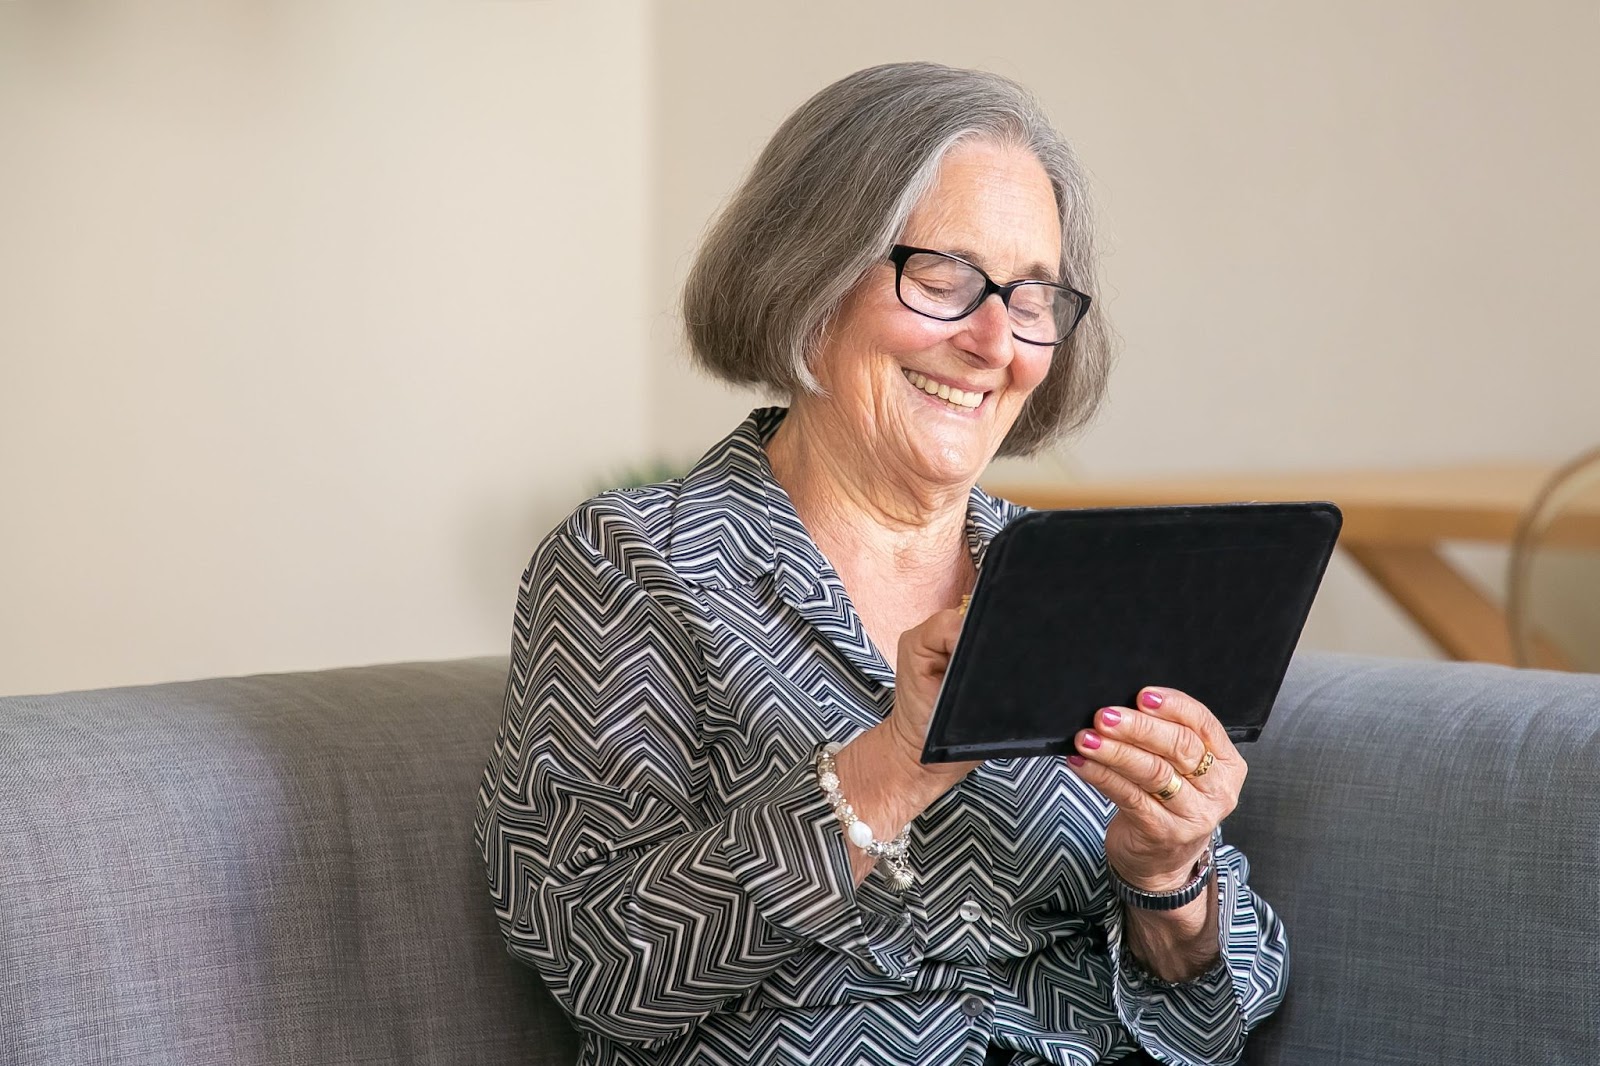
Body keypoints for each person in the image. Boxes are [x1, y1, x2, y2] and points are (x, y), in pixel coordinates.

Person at [474, 61, 1287, 1066]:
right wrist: (888, 768)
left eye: (1031, 297)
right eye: (945, 279)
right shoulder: (637, 564)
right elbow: (599, 967)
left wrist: (1168, 877)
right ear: (810, 281)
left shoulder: (1059, 575)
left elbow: (1222, 1009)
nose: (995, 341)